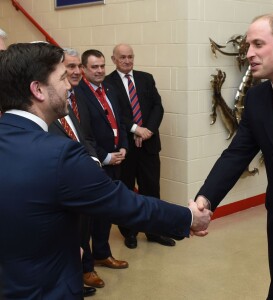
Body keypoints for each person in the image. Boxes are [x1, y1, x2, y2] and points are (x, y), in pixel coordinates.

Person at [0, 42, 211, 300]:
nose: (69, 85)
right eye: (62, 77)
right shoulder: (59, 154)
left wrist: (61, 246)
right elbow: (124, 204)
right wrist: (188, 218)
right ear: (38, 90)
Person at [194, 14, 273, 300]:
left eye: (257, 44)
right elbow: (236, 155)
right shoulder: (257, 98)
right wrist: (204, 201)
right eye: (247, 45)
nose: (248, 53)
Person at [105, 43, 175, 249]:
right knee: (126, 192)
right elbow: (115, 113)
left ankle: (154, 232)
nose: (127, 61)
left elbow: (157, 106)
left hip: (149, 146)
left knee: (151, 189)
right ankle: (130, 232)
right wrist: (136, 129)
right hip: (125, 148)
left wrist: (148, 131)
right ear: (114, 60)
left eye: (130, 56)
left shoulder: (146, 78)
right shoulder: (108, 83)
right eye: (122, 57)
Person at [48, 48, 102, 297]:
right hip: (63, 185)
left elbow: (83, 136)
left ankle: (79, 277)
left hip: (83, 175)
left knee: (82, 232)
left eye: (76, 67)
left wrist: (92, 158)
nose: (73, 74)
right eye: (65, 70)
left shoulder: (71, 101)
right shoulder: (44, 114)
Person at [76, 49, 129, 269]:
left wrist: (124, 146)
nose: (99, 71)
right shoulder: (78, 93)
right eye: (94, 67)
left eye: (102, 66)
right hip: (97, 162)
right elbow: (83, 134)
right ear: (83, 69)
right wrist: (105, 157)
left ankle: (102, 253)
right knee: (88, 219)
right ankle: (86, 266)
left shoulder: (110, 88)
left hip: (117, 160)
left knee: (106, 213)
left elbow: (120, 121)